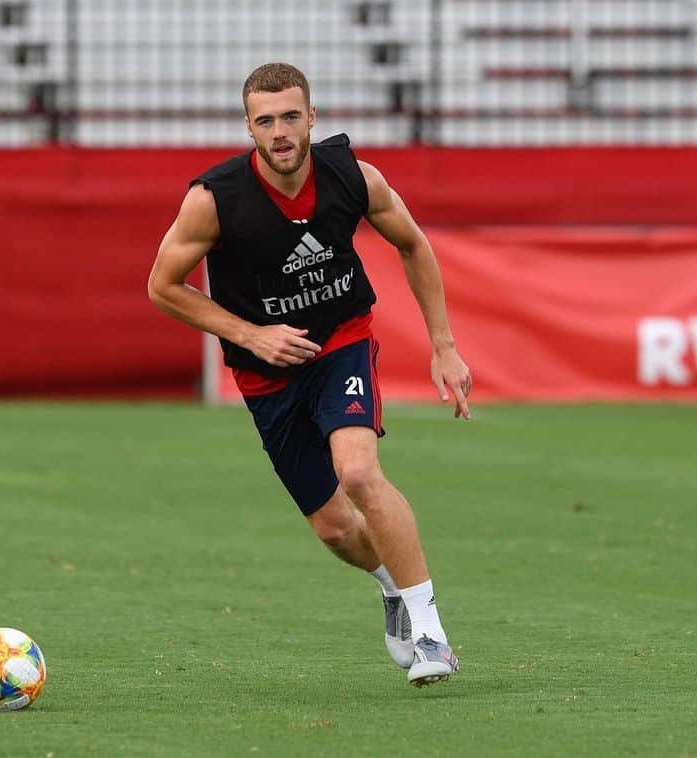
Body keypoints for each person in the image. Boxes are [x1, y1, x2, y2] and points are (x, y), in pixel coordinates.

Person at [148, 62, 472, 687]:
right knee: (333, 529)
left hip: (342, 344)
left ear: (312, 117)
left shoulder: (354, 176)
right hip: (266, 376)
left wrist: (444, 346)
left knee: (358, 473)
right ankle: (392, 591)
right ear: (248, 127)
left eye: (291, 116)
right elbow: (162, 286)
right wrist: (249, 334)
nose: (280, 132)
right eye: (265, 120)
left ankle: (432, 634)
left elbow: (413, 244)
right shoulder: (214, 200)